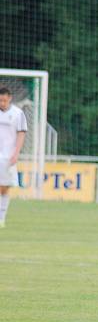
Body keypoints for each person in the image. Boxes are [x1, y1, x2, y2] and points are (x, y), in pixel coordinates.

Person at [0, 87, 27, 228]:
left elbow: (21, 133)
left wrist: (16, 152)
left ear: (9, 98)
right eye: (0, 100)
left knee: (4, 188)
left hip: (8, 157)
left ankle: (1, 218)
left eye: (4, 100)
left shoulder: (18, 113)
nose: (2, 103)